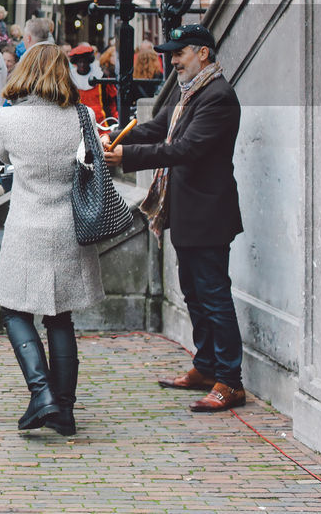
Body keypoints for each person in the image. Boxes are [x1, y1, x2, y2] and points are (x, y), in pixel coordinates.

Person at [104, 24, 245, 413]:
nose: (173, 60)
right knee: (195, 294)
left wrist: (127, 158)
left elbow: (187, 149)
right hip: (185, 210)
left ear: (202, 52)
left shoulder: (217, 96)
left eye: (179, 53)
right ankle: (205, 366)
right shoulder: (189, 93)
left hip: (208, 213)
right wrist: (118, 138)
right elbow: (156, 128)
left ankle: (230, 381)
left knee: (214, 296)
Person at [0, 43, 104, 436]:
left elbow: (3, 157)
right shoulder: (83, 115)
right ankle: (65, 410)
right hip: (70, 226)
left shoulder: (9, 119)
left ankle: (41, 394)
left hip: (26, 225)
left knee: (13, 310)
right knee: (61, 317)